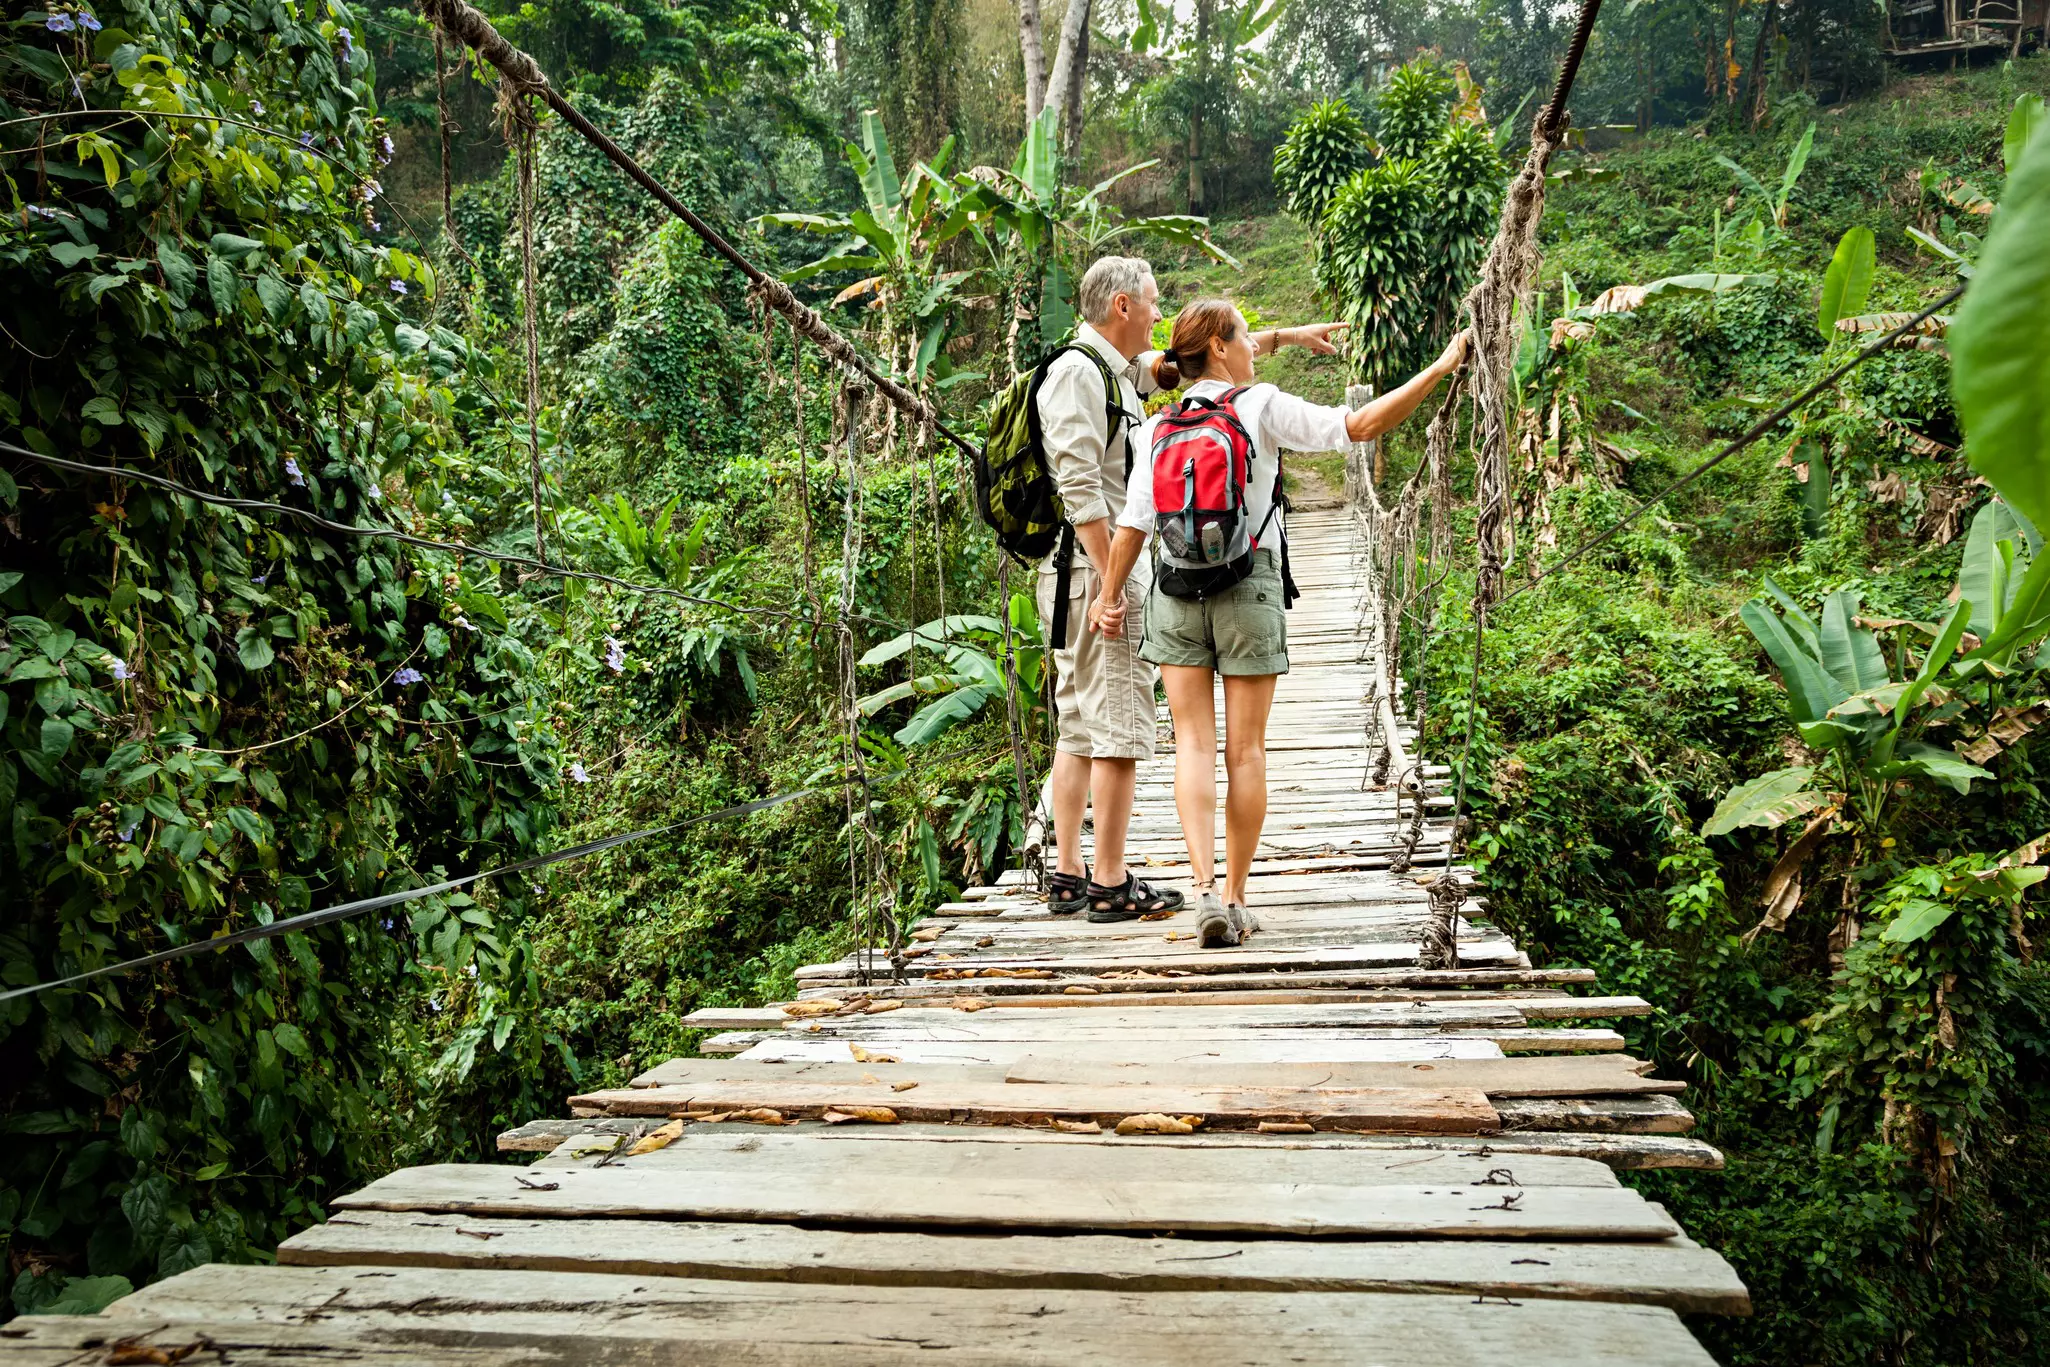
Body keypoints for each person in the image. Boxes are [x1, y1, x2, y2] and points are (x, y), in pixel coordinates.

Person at [1092, 299, 1469, 947]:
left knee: (1193, 745)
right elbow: (1361, 424)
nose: (1253, 349)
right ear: (1217, 346)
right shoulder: (1259, 405)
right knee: (1246, 750)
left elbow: (1133, 525)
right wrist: (1440, 367)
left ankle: (1204, 886)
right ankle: (1237, 898)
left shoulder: (1157, 427)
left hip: (1175, 592)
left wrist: (1108, 597)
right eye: (1245, 337)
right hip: (1248, 585)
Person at [1034, 256, 1180, 922]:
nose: (1158, 312)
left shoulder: (1112, 372)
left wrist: (1288, 340)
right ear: (1122, 305)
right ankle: (1111, 884)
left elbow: (1200, 357)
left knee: (1079, 725)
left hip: (1081, 573)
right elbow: (1080, 488)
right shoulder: (1077, 373)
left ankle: (1068, 873)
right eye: (1152, 302)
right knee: (1116, 720)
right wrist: (1113, 586)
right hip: (1096, 570)